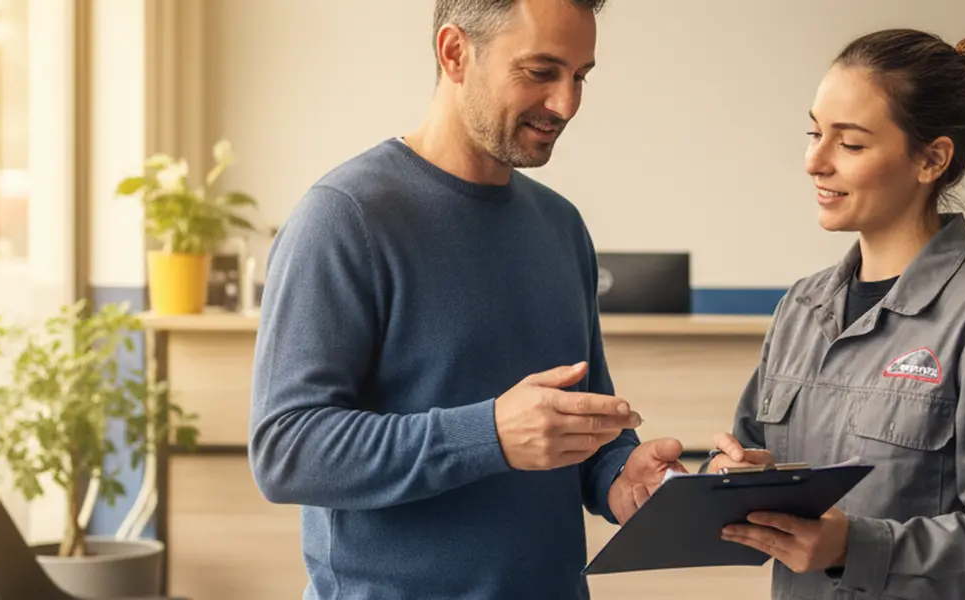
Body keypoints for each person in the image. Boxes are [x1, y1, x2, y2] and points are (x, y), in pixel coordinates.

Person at [247, 1, 685, 599]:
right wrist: (490, 435)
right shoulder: (345, 218)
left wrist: (621, 476)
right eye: (541, 71)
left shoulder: (561, 226)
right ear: (455, 53)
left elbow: (583, 423)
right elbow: (286, 449)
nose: (566, 104)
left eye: (580, 76)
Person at [706, 29, 965, 600]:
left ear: (931, 158)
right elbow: (751, 456)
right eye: (814, 133)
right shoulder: (800, 309)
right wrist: (729, 478)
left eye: (850, 145)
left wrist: (854, 546)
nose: (814, 161)